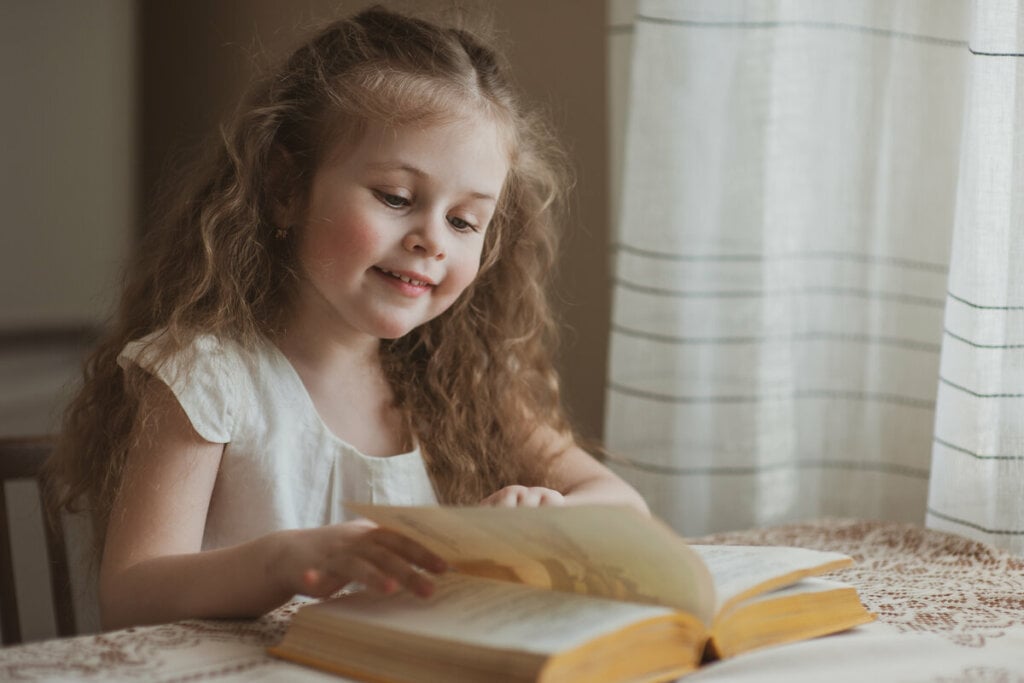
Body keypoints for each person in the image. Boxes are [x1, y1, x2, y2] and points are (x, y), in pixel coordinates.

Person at [44, 4, 648, 631]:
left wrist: (547, 517)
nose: (431, 240)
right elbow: (131, 592)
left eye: (464, 221)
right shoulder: (206, 377)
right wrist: (288, 561)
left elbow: (623, 509)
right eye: (396, 198)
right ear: (286, 186)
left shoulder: (463, 380)